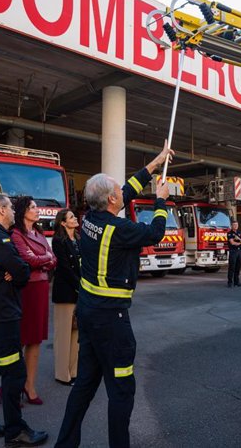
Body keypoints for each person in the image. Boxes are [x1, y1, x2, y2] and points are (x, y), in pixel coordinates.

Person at [55, 144, 173, 448]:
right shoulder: (120, 229)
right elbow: (155, 233)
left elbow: (127, 189)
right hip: (111, 321)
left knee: (84, 386)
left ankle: (65, 444)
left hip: (90, 314)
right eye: (117, 193)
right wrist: (161, 200)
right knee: (122, 391)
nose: (122, 194)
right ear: (110, 200)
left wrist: (156, 162)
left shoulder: (91, 218)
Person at [0, 194, 49, 447]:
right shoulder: (0, 238)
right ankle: (15, 431)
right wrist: (16, 271)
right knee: (14, 373)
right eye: (11, 208)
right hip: (2, 315)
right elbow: (23, 270)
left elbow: (16, 269)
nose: (14, 211)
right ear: (2, 210)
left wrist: (14, 271)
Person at [10, 196, 57, 406]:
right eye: (32, 207)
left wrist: (42, 260)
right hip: (26, 289)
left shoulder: (38, 233)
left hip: (41, 287)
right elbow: (28, 260)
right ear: (22, 211)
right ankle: (11, 387)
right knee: (20, 338)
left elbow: (52, 258)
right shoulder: (16, 234)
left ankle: (29, 385)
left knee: (36, 339)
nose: (37, 210)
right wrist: (43, 259)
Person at [51, 208, 81, 386]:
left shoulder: (78, 239)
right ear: (63, 223)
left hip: (79, 291)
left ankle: (74, 372)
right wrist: (80, 286)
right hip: (65, 293)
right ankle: (62, 375)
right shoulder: (58, 241)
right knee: (63, 335)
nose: (75, 218)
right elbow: (64, 268)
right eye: (71, 217)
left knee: (76, 334)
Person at [226, 220, 241, 288]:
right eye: (234, 225)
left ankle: (236, 282)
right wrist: (240, 242)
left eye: (237, 225)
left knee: (238, 267)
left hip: (239, 252)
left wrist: (239, 239)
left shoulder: (239, 233)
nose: (236, 226)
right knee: (232, 267)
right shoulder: (229, 233)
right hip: (233, 251)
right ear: (232, 226)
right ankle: (230, 282)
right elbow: (232, 243)